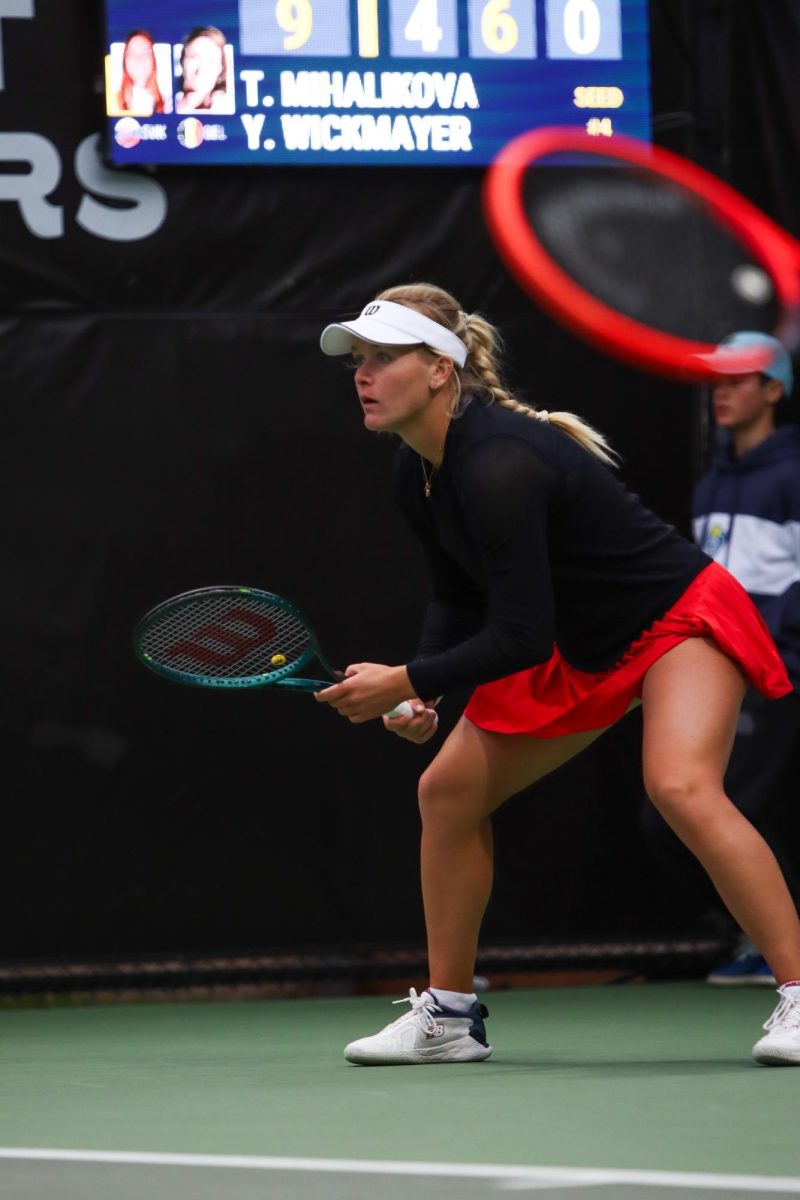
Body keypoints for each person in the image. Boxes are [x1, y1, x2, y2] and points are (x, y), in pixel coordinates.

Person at [313, 282, 800, 1067]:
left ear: (440, 370)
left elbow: (520, 633)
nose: (363, 375)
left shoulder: (500, 462)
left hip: (673, 618)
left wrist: (405, 678)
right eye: (358, 361)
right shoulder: (418, 471)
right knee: (447, 791)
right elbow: (459, 595)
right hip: (576, 645)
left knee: (680, 784)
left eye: (384, 358)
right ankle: (448, 1016)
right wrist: (427, 686)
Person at [641, 332, 800, 986]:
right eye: (717, 382)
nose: (722, 393)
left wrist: (770, 652)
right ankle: (759, 936)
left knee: (740, 803)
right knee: (671, 815)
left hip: (775, 673)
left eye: (739, 380)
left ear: (774, 390)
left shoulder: (793, 473)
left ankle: (780, 952)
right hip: (714, 671)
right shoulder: (710, 483)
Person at [175, 26, 231, 114]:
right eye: (193, 57)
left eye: (211, 60)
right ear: (182, 61)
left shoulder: (226, 107)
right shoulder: (166, 105)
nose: (201, 69)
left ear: (221, 67)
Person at [115, 30, 166, 116]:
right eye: (132, 53)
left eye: (146, 53)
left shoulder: (168, 104)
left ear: (154, 60)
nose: (139, 60)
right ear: (124, 61)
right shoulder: (113, 102)